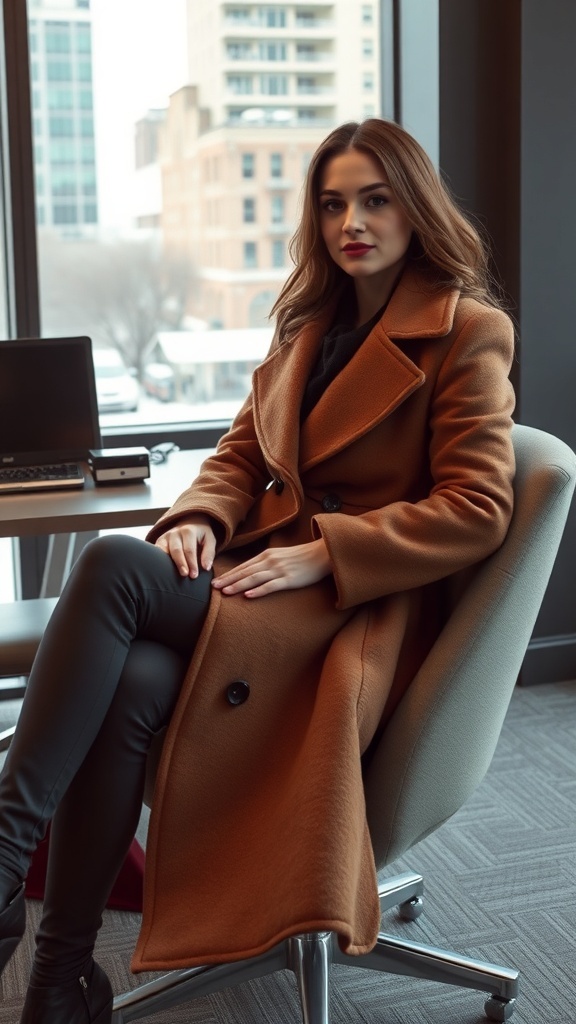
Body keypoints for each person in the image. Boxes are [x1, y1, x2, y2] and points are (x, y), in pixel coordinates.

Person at [0, 118, 515, 1023]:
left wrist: (324, 553)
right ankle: (57, 982)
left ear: (415, 207)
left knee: (115, 564)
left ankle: (5, 852)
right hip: (262, 580)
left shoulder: (467, 330)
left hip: (348, 612)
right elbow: (239, 456)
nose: (351, 222)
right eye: (333, 205)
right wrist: (202, 516)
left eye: (375, 200)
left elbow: (478, 506)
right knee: (135, 681)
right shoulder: (310, 325)